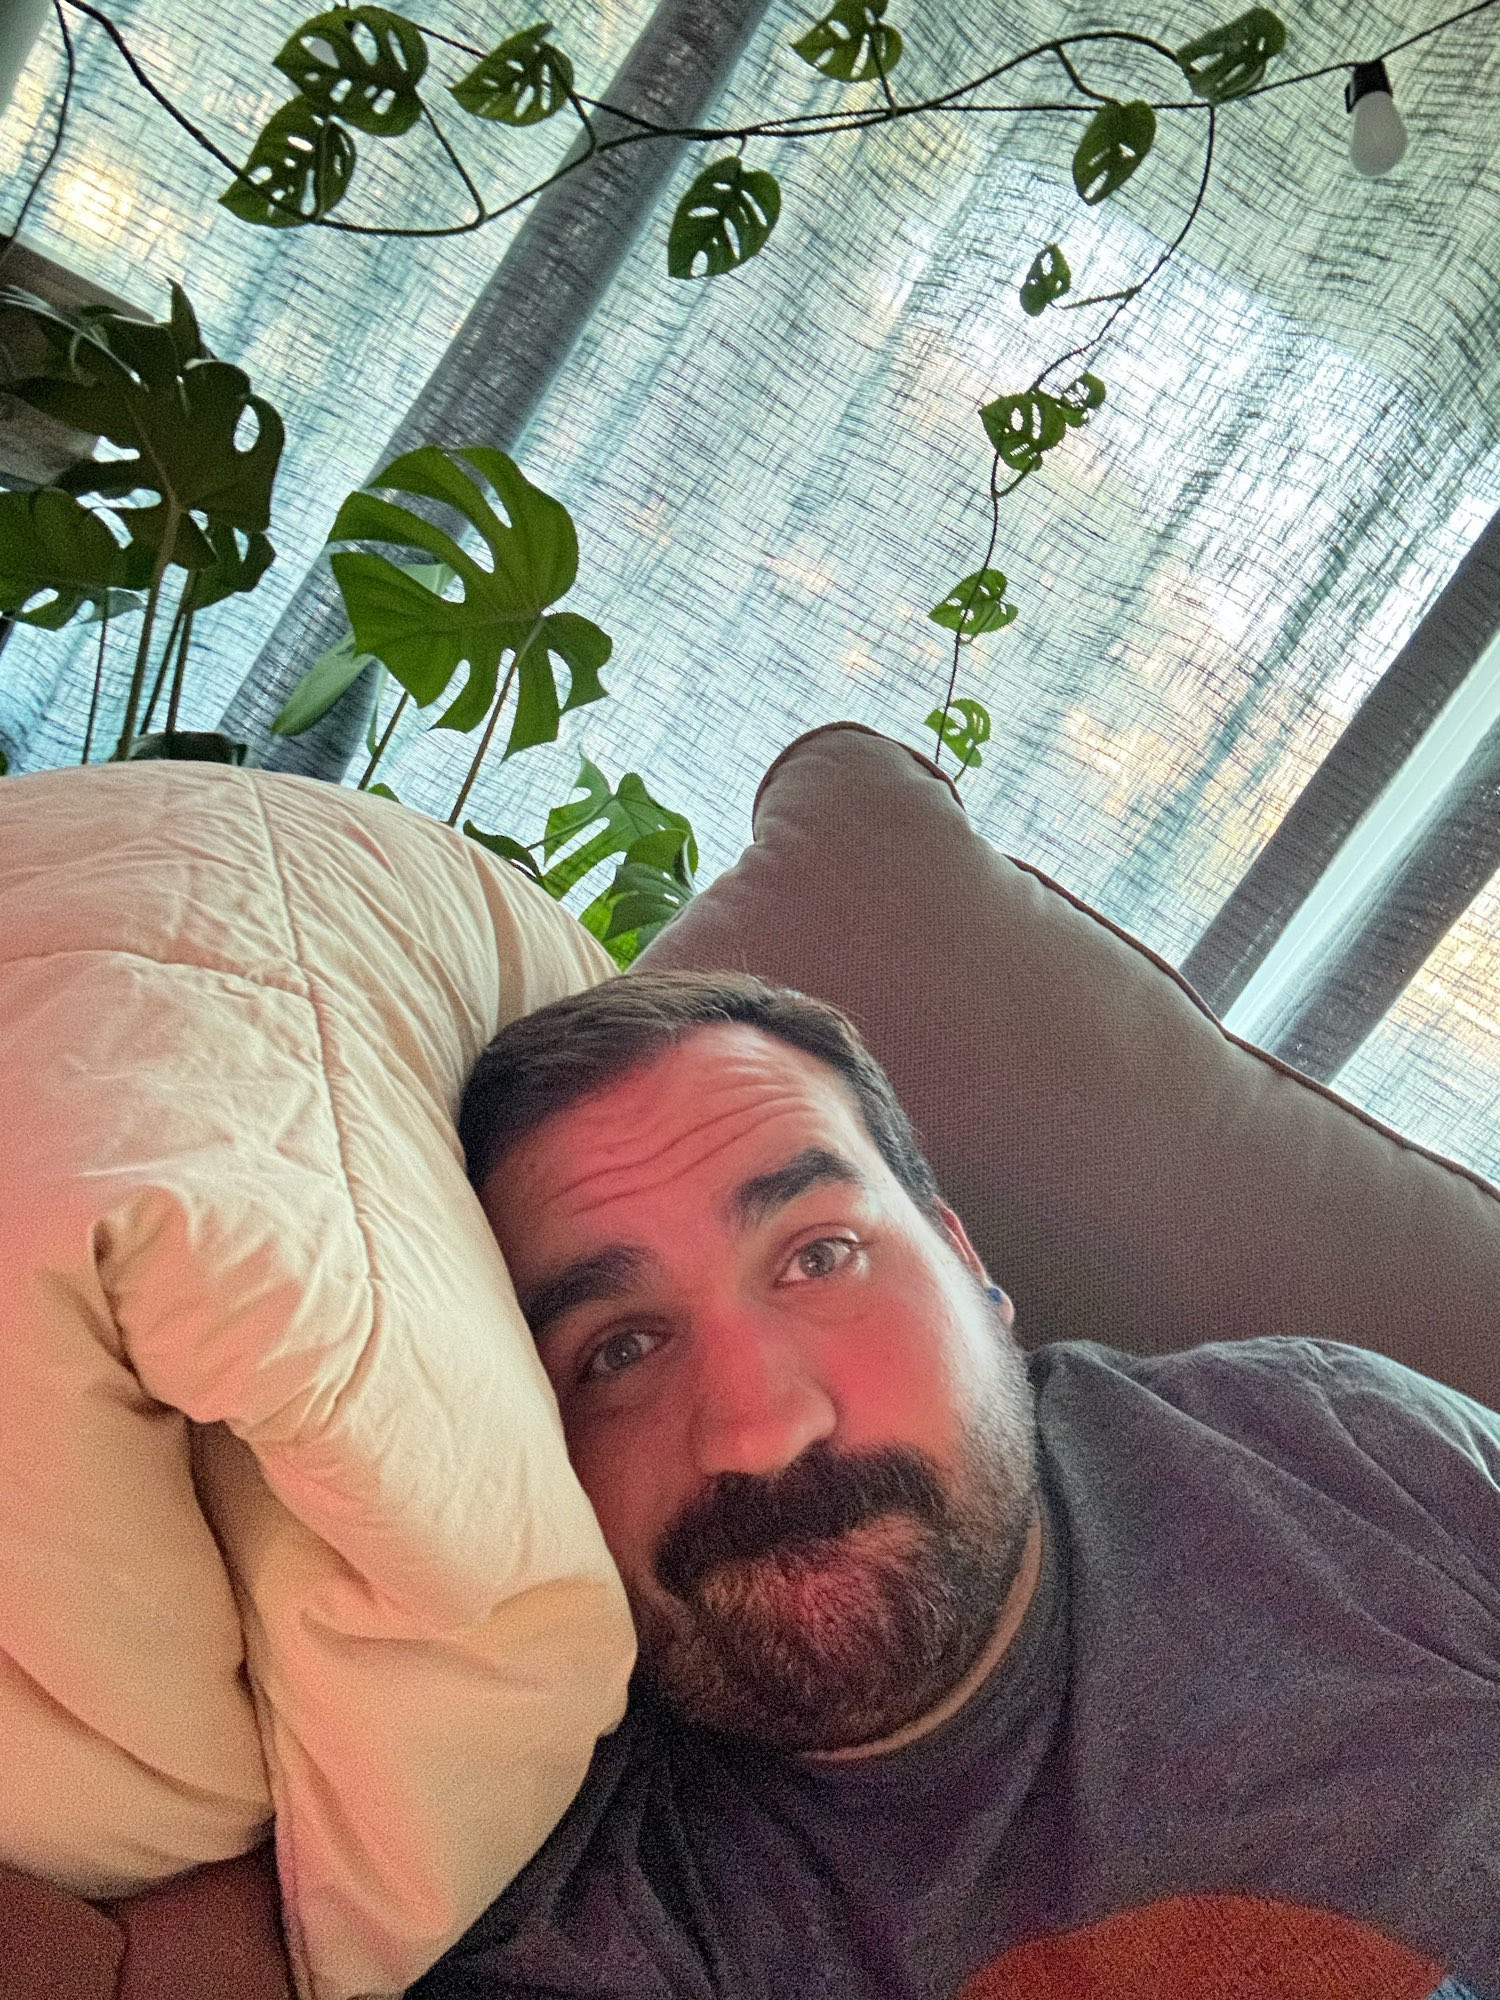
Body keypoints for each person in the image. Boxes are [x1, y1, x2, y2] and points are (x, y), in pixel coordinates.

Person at [413, 971, 1500, 2000]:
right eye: (620, 1348)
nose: (757, 1428)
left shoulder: (1341, 1445)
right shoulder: (603, 1914)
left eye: (820, 1253)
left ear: (966, 1266)